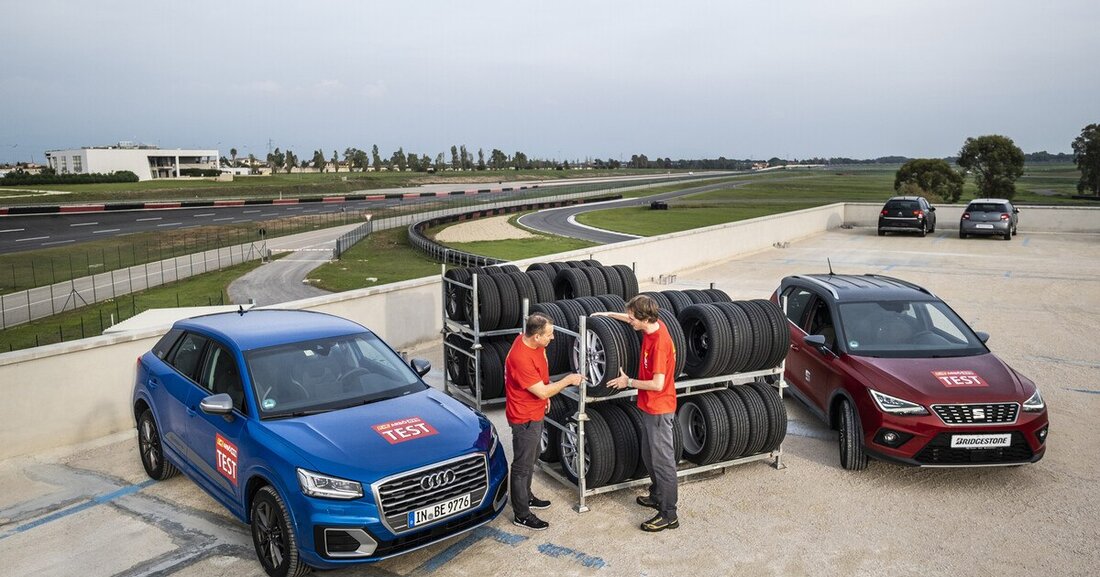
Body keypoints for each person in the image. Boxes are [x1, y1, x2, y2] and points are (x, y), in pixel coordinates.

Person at [593, 294, 679, 532]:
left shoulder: (659, 342)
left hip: (660, 408)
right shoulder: (651, 326)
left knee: (663, 463)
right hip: (650, 407)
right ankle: (657, 494)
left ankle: (669, 514)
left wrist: (627, 382)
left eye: (632, 318)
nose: (629, 321)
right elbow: (631, 319)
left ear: (644, 318)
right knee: (649, 456)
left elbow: (657, 384)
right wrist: (609, 315)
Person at [505, 312, 585, 531]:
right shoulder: (520, 358)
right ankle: (521, 514)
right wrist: (567, 380)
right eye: (549, 335)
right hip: (524, 417)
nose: (553, 338)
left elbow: (542, 376)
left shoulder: (531, 340)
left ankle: (527, 497)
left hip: (536, 411)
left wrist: (546, 393)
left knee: (533, 457)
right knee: (522, 465)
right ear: (536, 336)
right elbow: (540, 391)